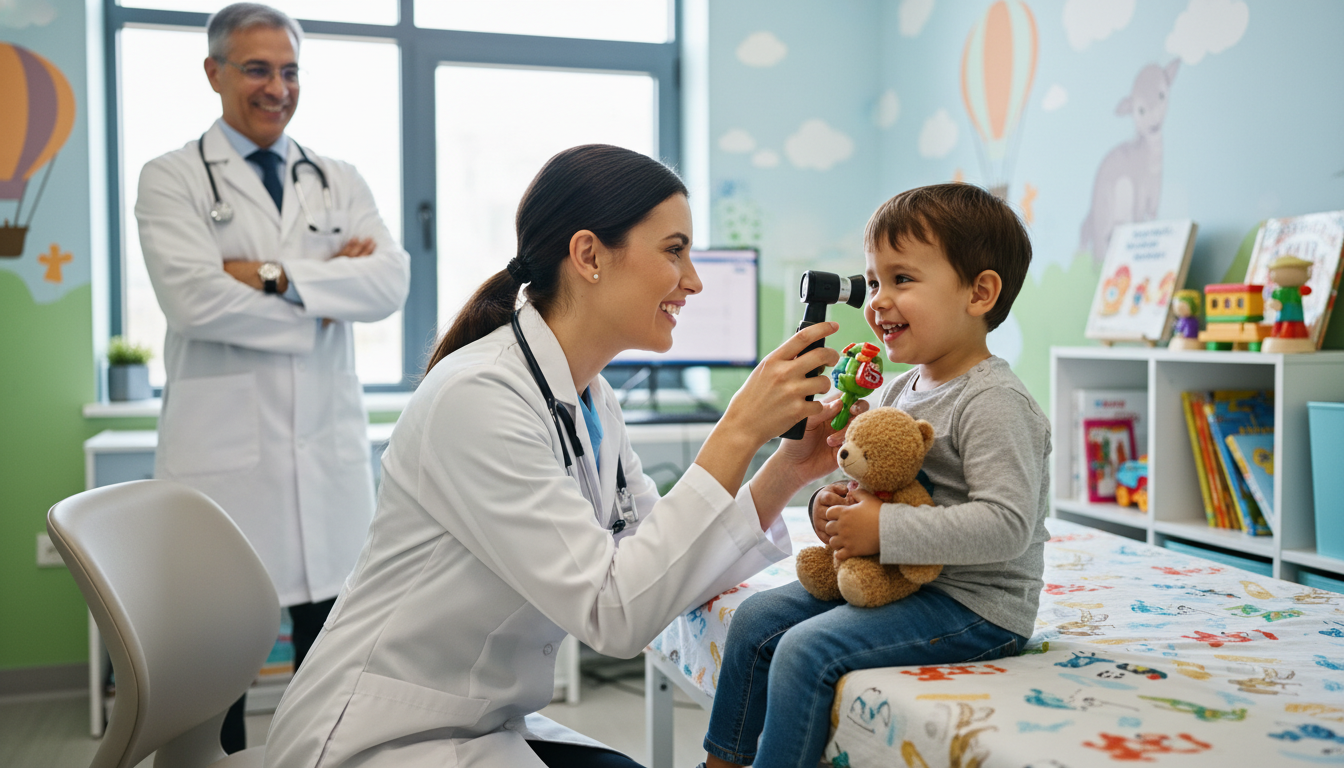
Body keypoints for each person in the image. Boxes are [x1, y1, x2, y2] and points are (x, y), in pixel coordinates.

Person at [263, 143, 857, 768]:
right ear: (589, 255)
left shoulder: (588, 395)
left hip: (479, 721)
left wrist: (787, 468)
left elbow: (662, 562)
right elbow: (613, 615)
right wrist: (735, 430)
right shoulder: (479, 397)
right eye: (674, 250)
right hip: (381, 735)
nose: (694, 280)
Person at [135, 2, 410, 752]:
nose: (277, 88)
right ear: (214, 72)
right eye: (257, 69)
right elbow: (193, 302)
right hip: (224, 472)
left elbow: (389, 284)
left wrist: (268, 276)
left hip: (325, 467)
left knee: (333, 674)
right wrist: (323, 300)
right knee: (214, 674)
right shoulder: (171, 178)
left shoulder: (338, 177)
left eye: (290, 71)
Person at [700, 183, 1050, 768]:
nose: (878, 301)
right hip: (894, 579)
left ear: (980, 293)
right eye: (874, 281)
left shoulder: (994, 401)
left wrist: (882, 528)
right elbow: (873, 485)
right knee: (757, 620)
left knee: (804, 651)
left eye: (901, 279)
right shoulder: (897, 389)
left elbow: (1006, 525)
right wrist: (833, 506)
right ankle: (722, 761)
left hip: (973, 606)